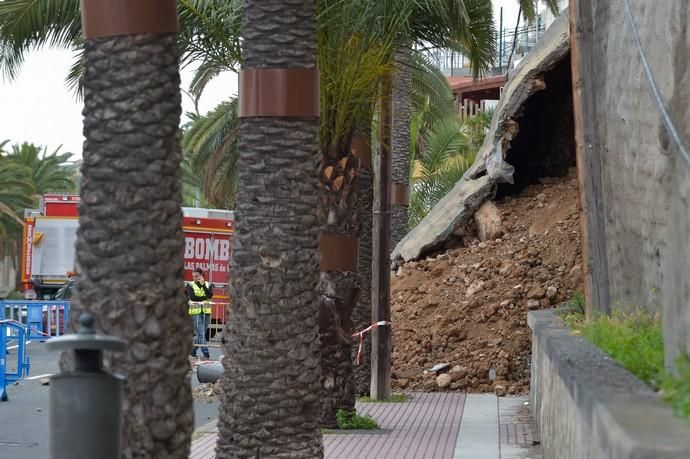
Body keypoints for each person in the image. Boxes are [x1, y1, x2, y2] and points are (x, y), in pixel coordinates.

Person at [187, 268, 213, 360]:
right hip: (195, 312)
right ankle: (206, 354)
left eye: (197, 276)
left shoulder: (208, 284)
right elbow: (193, 297)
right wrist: (204, 298)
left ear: (202, 275)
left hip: (206, 312)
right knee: (201, 334)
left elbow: (210, 295)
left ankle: (192, 351)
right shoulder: (190, 285)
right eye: (193, 276)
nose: (194, 278)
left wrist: (203, 286)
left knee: (201, 334)